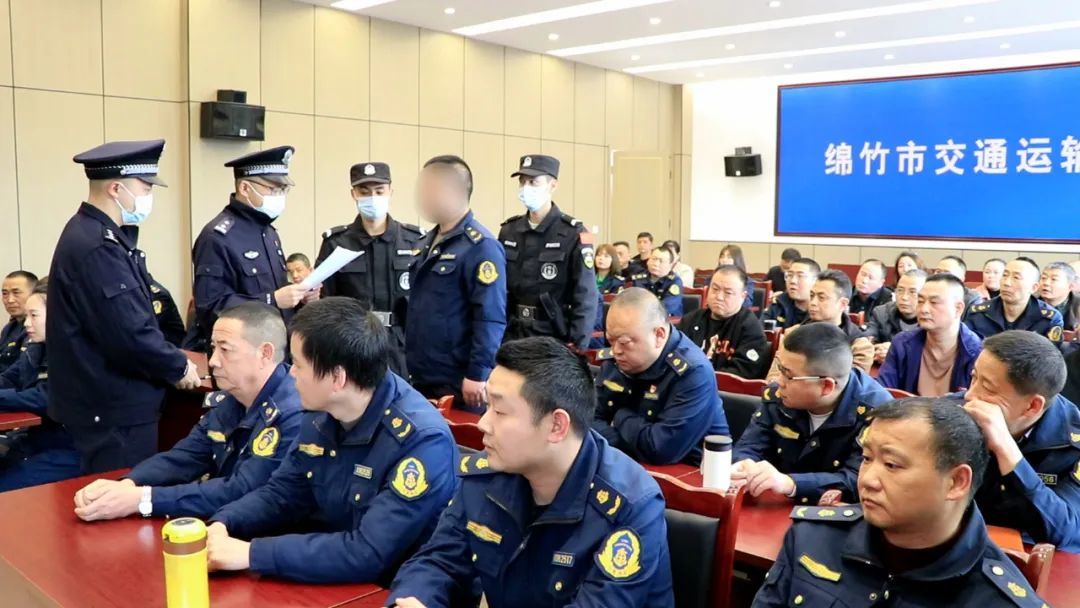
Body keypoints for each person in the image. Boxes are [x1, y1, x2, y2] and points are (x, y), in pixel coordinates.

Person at [386, 338, 674, 608]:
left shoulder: (629, 507)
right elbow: (438, 561)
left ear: (556, 426)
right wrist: (414, 600)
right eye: (487, 407)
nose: (483, 423)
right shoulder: (488, 474)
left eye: (499, 411)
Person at [204, 298, 459, 583]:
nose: (290, 373)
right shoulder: (321, 411)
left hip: (392, 588)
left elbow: (367, 553)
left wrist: (252, 553)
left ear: (337, 378)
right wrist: (225, 522)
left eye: (298, 364)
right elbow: (282, 493)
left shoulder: (421, 441)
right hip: (327, 571)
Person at [753, 398, 1045, 607]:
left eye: (892, 465)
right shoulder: (812, 536)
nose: (868, 480)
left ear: (956, 482)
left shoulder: (996, 598)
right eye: (867, 458)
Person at [48, 140, 202, 474]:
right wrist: (177, 366)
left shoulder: (98, 235)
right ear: (116, 188)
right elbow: (128, 332)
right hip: (114, 409)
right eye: (146, 187)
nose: (150, 195)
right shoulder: (97, 246)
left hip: (109, 403)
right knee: (119, 495)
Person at [71, 302, 303, 520]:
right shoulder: (232, 399)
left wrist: (143, 499)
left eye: (225, 349)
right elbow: (186, 456)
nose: (213, 361)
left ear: (265, 354)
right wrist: (128, 484)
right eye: (213, 348)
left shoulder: (293, 412)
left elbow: (242, 490)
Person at [733, 323, 891, 503]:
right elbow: (750, 444)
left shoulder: (877, 414)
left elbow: (859, 479)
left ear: (826, 386)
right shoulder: (779, 395)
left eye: (788, 375)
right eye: (780, 368)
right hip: (771, 504)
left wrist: (791, 484)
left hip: (836, 513)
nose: (779, 381)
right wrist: (744, 463)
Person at [184, 146, 317, 352]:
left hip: (277, 349)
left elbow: (275, 291)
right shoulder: (217, 237)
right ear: (245, 188)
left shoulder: (268, 232)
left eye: (283, 190)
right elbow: (210, 307)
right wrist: (272, 300)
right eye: (273, 189)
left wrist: (300, 297)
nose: (280, 196)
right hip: (241, 355)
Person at [963, 330, 1080, 552]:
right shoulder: (963, 409)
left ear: (1032, 406)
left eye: (987, 387)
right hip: (962, 543)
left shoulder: (1073, 446)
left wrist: (1006, 449)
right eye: (973, 377)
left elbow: (1068, 532)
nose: (970, 395)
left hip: (1026, 557)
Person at [406, 155, 506, 412]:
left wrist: (478, 372)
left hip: (458, 378)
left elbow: (490, 317)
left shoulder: (481, 246)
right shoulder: (425, 243)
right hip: (423, 372)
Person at [592, 288, 728, 465]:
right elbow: (585, 420)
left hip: (688, 473)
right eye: (611, 340)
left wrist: (619, 417)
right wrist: (626, 441)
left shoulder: (693, 372)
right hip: (625, 465)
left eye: (624, 342)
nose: (616, 350)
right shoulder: (618, 360)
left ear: (659, 335)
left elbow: (661, 449)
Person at [317, 162, 423, 378]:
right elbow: (326, 302)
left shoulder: (414, 241)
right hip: (353, 344)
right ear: (353, 194)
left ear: (390, 192)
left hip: (402, 345)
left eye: (379, 191)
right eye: (364, 192)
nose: (372, 198)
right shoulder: (336, 243)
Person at [500, 155, 597, 351]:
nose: (526, 188)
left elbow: (585, 293)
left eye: (533, 182)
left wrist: (578, 343)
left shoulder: (573, 233)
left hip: (553, 335)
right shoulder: (509, 230)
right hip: (513, 332)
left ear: (552, 185)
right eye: (522, 182)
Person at [0, 282, 81, 492]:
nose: (27, 323)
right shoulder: (37, 348)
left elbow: (43, 397)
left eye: (33, 315)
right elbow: (8, 378)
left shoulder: (75, 354)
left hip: (70, 448)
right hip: (36, 438)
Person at [878, 274, 983, 396]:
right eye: (920, 301)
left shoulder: (978, 353)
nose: (924, 309)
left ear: (958, 308)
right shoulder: (902, 344)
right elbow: (883, 393)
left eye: (934, 302)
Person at [765, 270, 874, 383]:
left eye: (821, 298)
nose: (813, 302)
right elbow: (773, 378)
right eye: (812, 296)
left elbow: (849, 387)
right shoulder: (793, 333)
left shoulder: (859, 347)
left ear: (843, 304)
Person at [678, 266, 770, 379]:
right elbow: (673, 356)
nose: (719, 297)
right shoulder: (690, 320)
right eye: (715, 289)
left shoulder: (751, 328)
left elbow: (743, 372)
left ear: (743, 296)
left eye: (728, 293)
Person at [965, 258, 1064, 346]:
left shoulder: (1049, 319)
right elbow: (969, 350)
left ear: (1034, 288)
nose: (1006, 283)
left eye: (1016, 277)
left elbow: (1050, 357)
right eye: (1004, 275)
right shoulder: (978, 313)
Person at [866, 269, 927, 364]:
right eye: (900, 290)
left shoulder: (932, 319)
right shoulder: (881, 313)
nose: (904, 297)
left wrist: (894, 352)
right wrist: (877, 350)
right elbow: (867, 341)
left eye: (912, 292)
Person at [761, 257, 819, 330]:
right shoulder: (779, 303)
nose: (793, 281)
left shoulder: (821, 310)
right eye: (790, 275)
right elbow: (759, 331)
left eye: (800, 276)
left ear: (816, 281)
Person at [626, 246, 683, 317]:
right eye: (654, 259)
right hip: (640, 318)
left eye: (661, 261)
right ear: (648, 261)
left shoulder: (674, 281)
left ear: (670, 265)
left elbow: (669, 306)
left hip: (666, 320)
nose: (656, 264)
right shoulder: (638, 279)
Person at [0, 271, 37, 372]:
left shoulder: (37, 328)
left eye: (16, 293)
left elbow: (21, 370)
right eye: (5, 294)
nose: (10, 300)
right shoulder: (9, 328)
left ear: (34, 294)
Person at [1039, 261, 1077, 331]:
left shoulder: (1077, 305)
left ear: (1070, 286)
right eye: (1043, 278)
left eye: (1054, 279)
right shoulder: (1029, 301)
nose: (1046, 283)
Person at [718, 244, 756, 308]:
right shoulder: (711, 279)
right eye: (722, 256)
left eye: (729, 257)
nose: (724, 260)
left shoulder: (747, 281)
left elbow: (747, 303)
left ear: (737, 260)